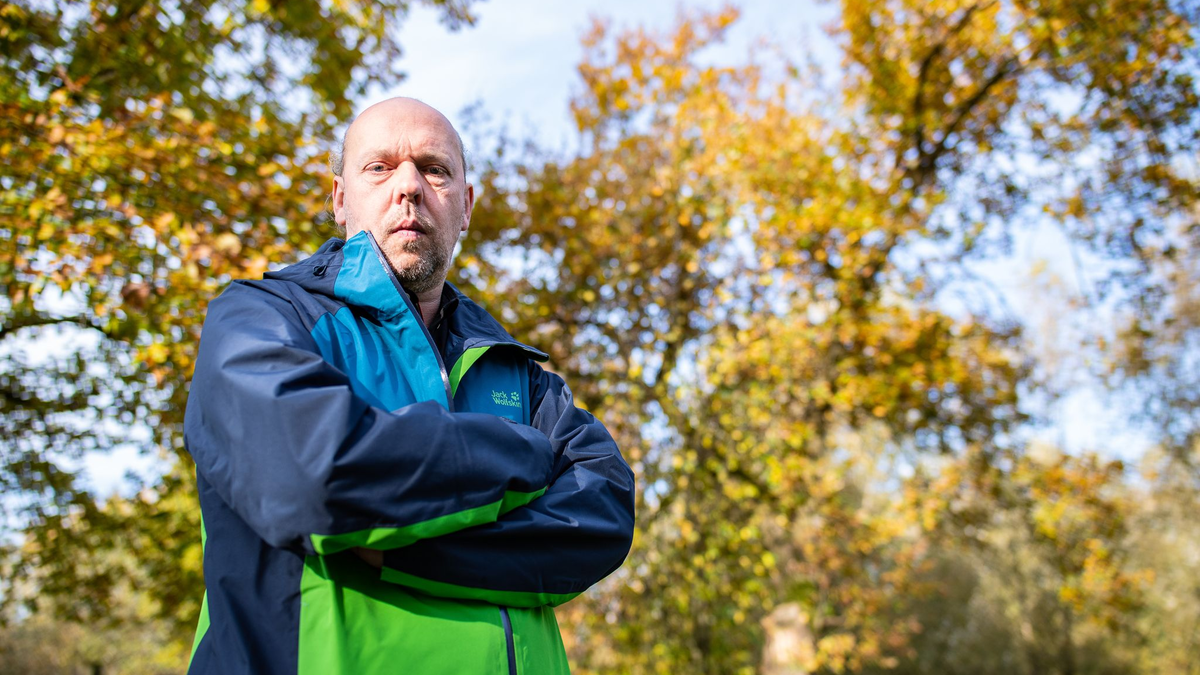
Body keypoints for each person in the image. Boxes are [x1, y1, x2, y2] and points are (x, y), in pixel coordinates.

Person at [183, 97, 636, 675]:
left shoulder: (516, 371)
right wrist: (524, 452)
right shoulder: (260, 319)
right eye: (378, 167)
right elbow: (314, 475)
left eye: (434, 168)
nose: (409, 187)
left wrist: (395, 548)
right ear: (340, 199)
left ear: (466, 206)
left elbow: (602, 516)